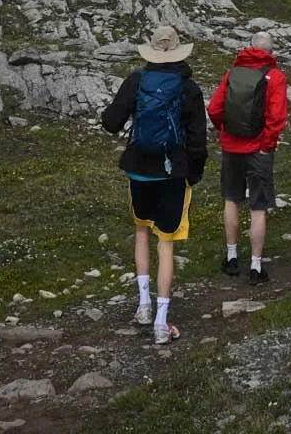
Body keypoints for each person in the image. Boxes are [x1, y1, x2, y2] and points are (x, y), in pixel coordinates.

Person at [100, 24, 208, 344]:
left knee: (142, 232)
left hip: (139, 170)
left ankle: (143, 305)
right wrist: (194, 172)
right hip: (173, 173)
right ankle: (162, 322)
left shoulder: (137, 80)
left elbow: (110, 122)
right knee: (166, 242)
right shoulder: (189, 88)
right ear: (177, 52)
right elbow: (198, 141)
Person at [207, 31, 289, 286]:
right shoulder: (275, 76)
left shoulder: (233, 72)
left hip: (232, 146)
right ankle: (255, 265)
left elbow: (214, 108)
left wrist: (225, 130)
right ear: (270, 52)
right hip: (258, 150)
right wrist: (266, 146)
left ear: (249, 47)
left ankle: (231, 257)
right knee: (258, 206)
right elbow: (276, 117)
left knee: (231, 199)